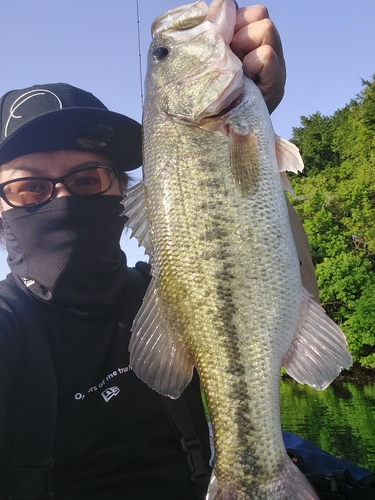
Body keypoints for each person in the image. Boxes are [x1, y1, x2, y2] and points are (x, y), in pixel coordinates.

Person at [0, 5, 318, 500]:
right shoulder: (7, 329)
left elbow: (283, 277)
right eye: (29, 189)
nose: (62, 199)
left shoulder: (161, 291)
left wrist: (255, 144)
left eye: (87, 180)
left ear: (122, 195)